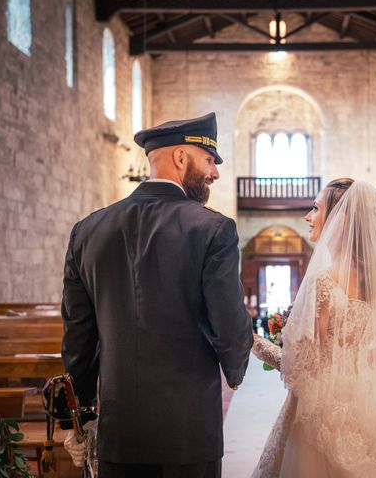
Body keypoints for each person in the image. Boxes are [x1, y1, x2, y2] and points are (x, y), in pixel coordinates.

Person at [62, 112, 254, 478]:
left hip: (120, 427)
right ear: (181, 158)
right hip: (189, 427)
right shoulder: (213, 229)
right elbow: (229, 322)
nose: (214, 173)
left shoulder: (86, 231)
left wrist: (82, 413)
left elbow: (78, 335)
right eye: (209, 160)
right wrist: (236, 365)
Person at [252, 179, 376, 477]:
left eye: (316, 208)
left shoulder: (325, 283)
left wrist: (255, 343)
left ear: (340, 219)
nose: (308, 216)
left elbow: (300, 371)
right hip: (369, 402)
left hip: (324, 411)